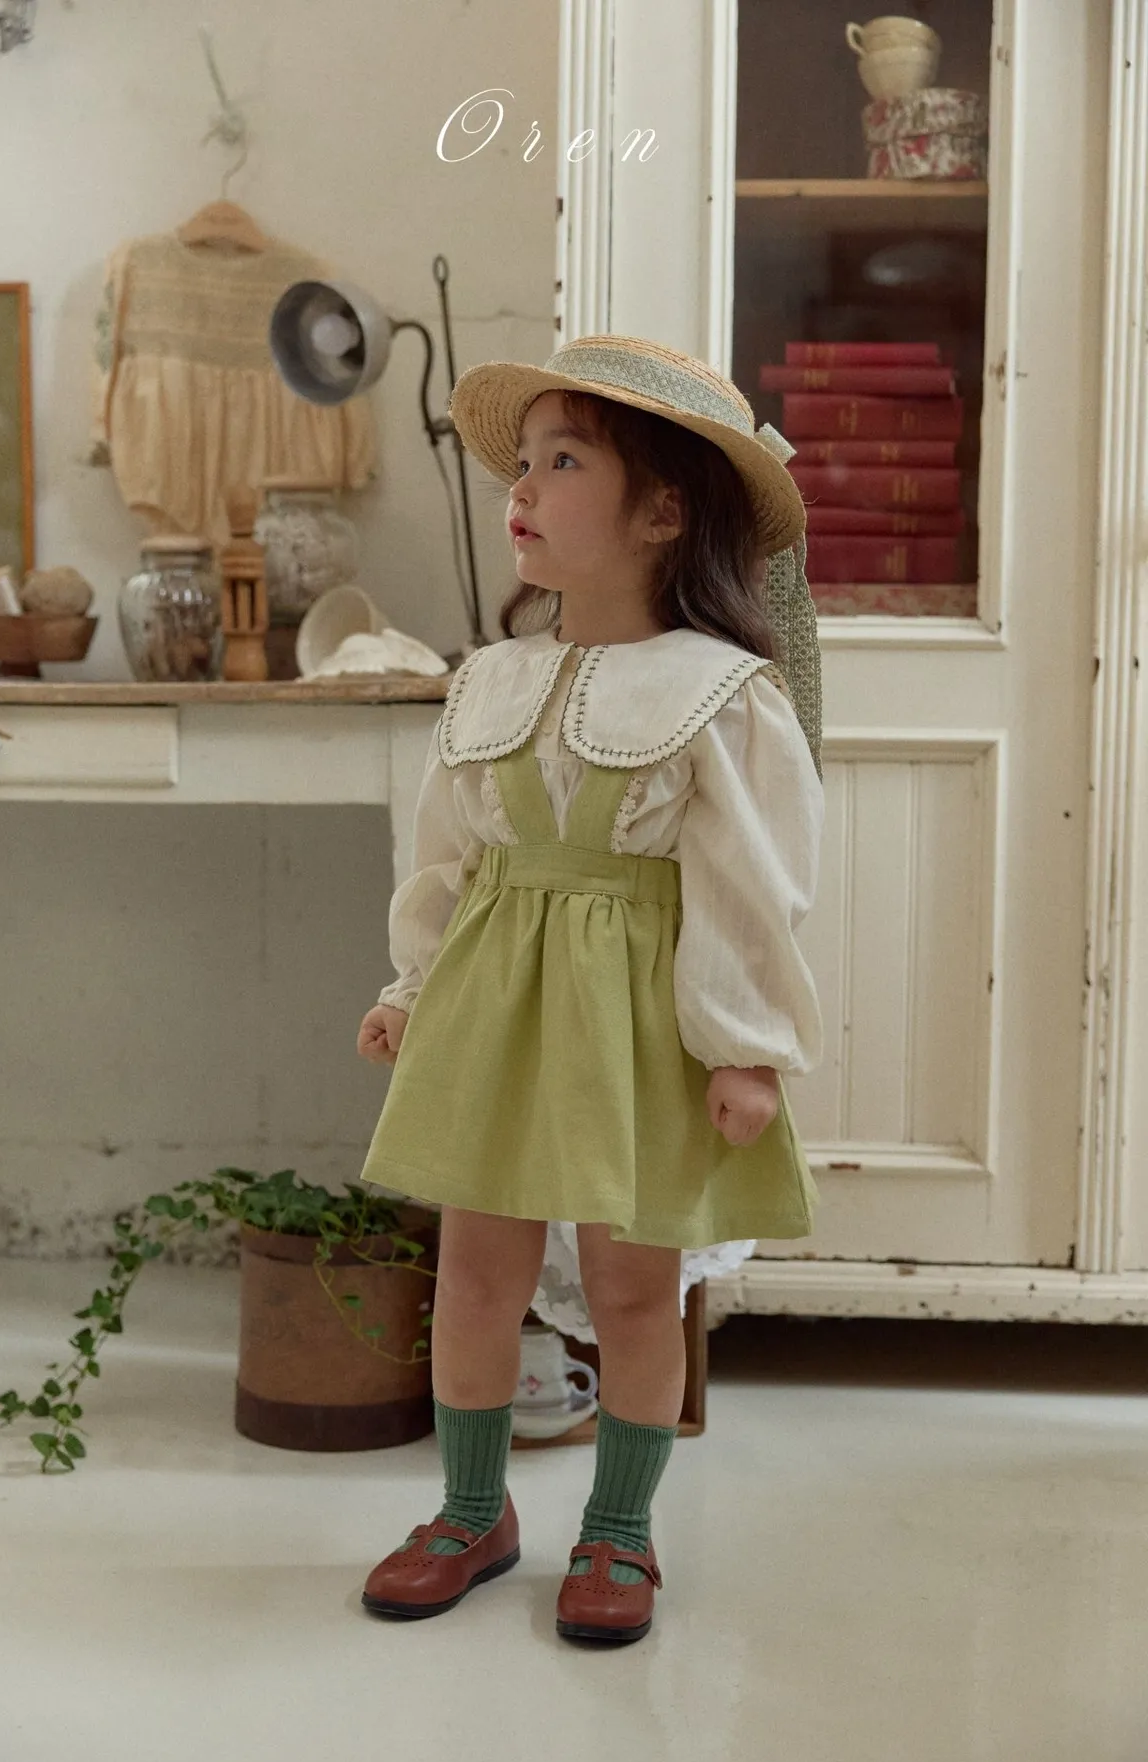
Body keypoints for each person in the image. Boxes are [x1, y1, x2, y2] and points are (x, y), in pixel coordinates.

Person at [354, 334, 824, 1645]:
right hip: (496, 1010)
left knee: (630, 1286)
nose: (523, 487)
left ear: (663, 512)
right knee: (474, 1275)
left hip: (636, 1026)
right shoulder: (491, 681)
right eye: (524, 461)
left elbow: (749, 883)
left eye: (564, 462)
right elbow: (446, 859)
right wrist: (414, 987)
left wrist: (743, 1045)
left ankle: (619, 1529)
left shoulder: (720, 696)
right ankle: (472, 1511)